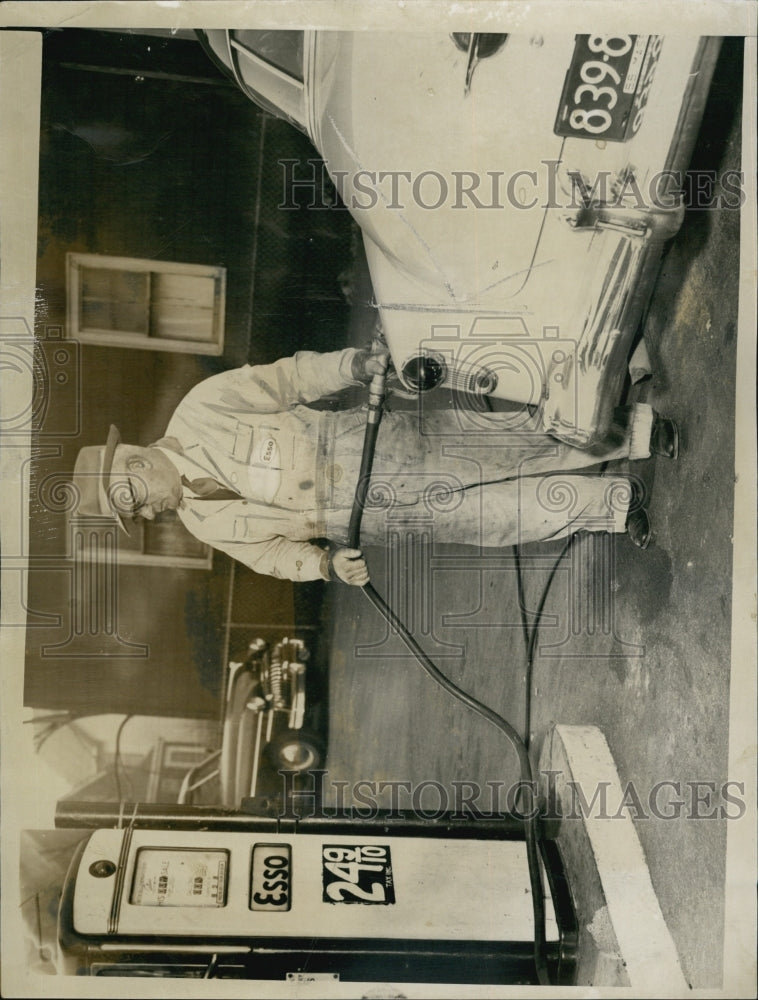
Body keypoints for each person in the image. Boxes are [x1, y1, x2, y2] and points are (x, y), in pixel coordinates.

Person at [72, 347, 677, 585]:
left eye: (134, 503)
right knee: (496, 519)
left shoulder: (202, 407)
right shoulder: (203, 522)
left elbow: (289, 379)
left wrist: (353, 366)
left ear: (134, 463)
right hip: (367, 518)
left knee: (511, 443)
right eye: (137, 516)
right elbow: (272, 556)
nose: (148, 515)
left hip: (374, 448)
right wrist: (323, 563)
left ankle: (637, 432)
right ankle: (614, 507)